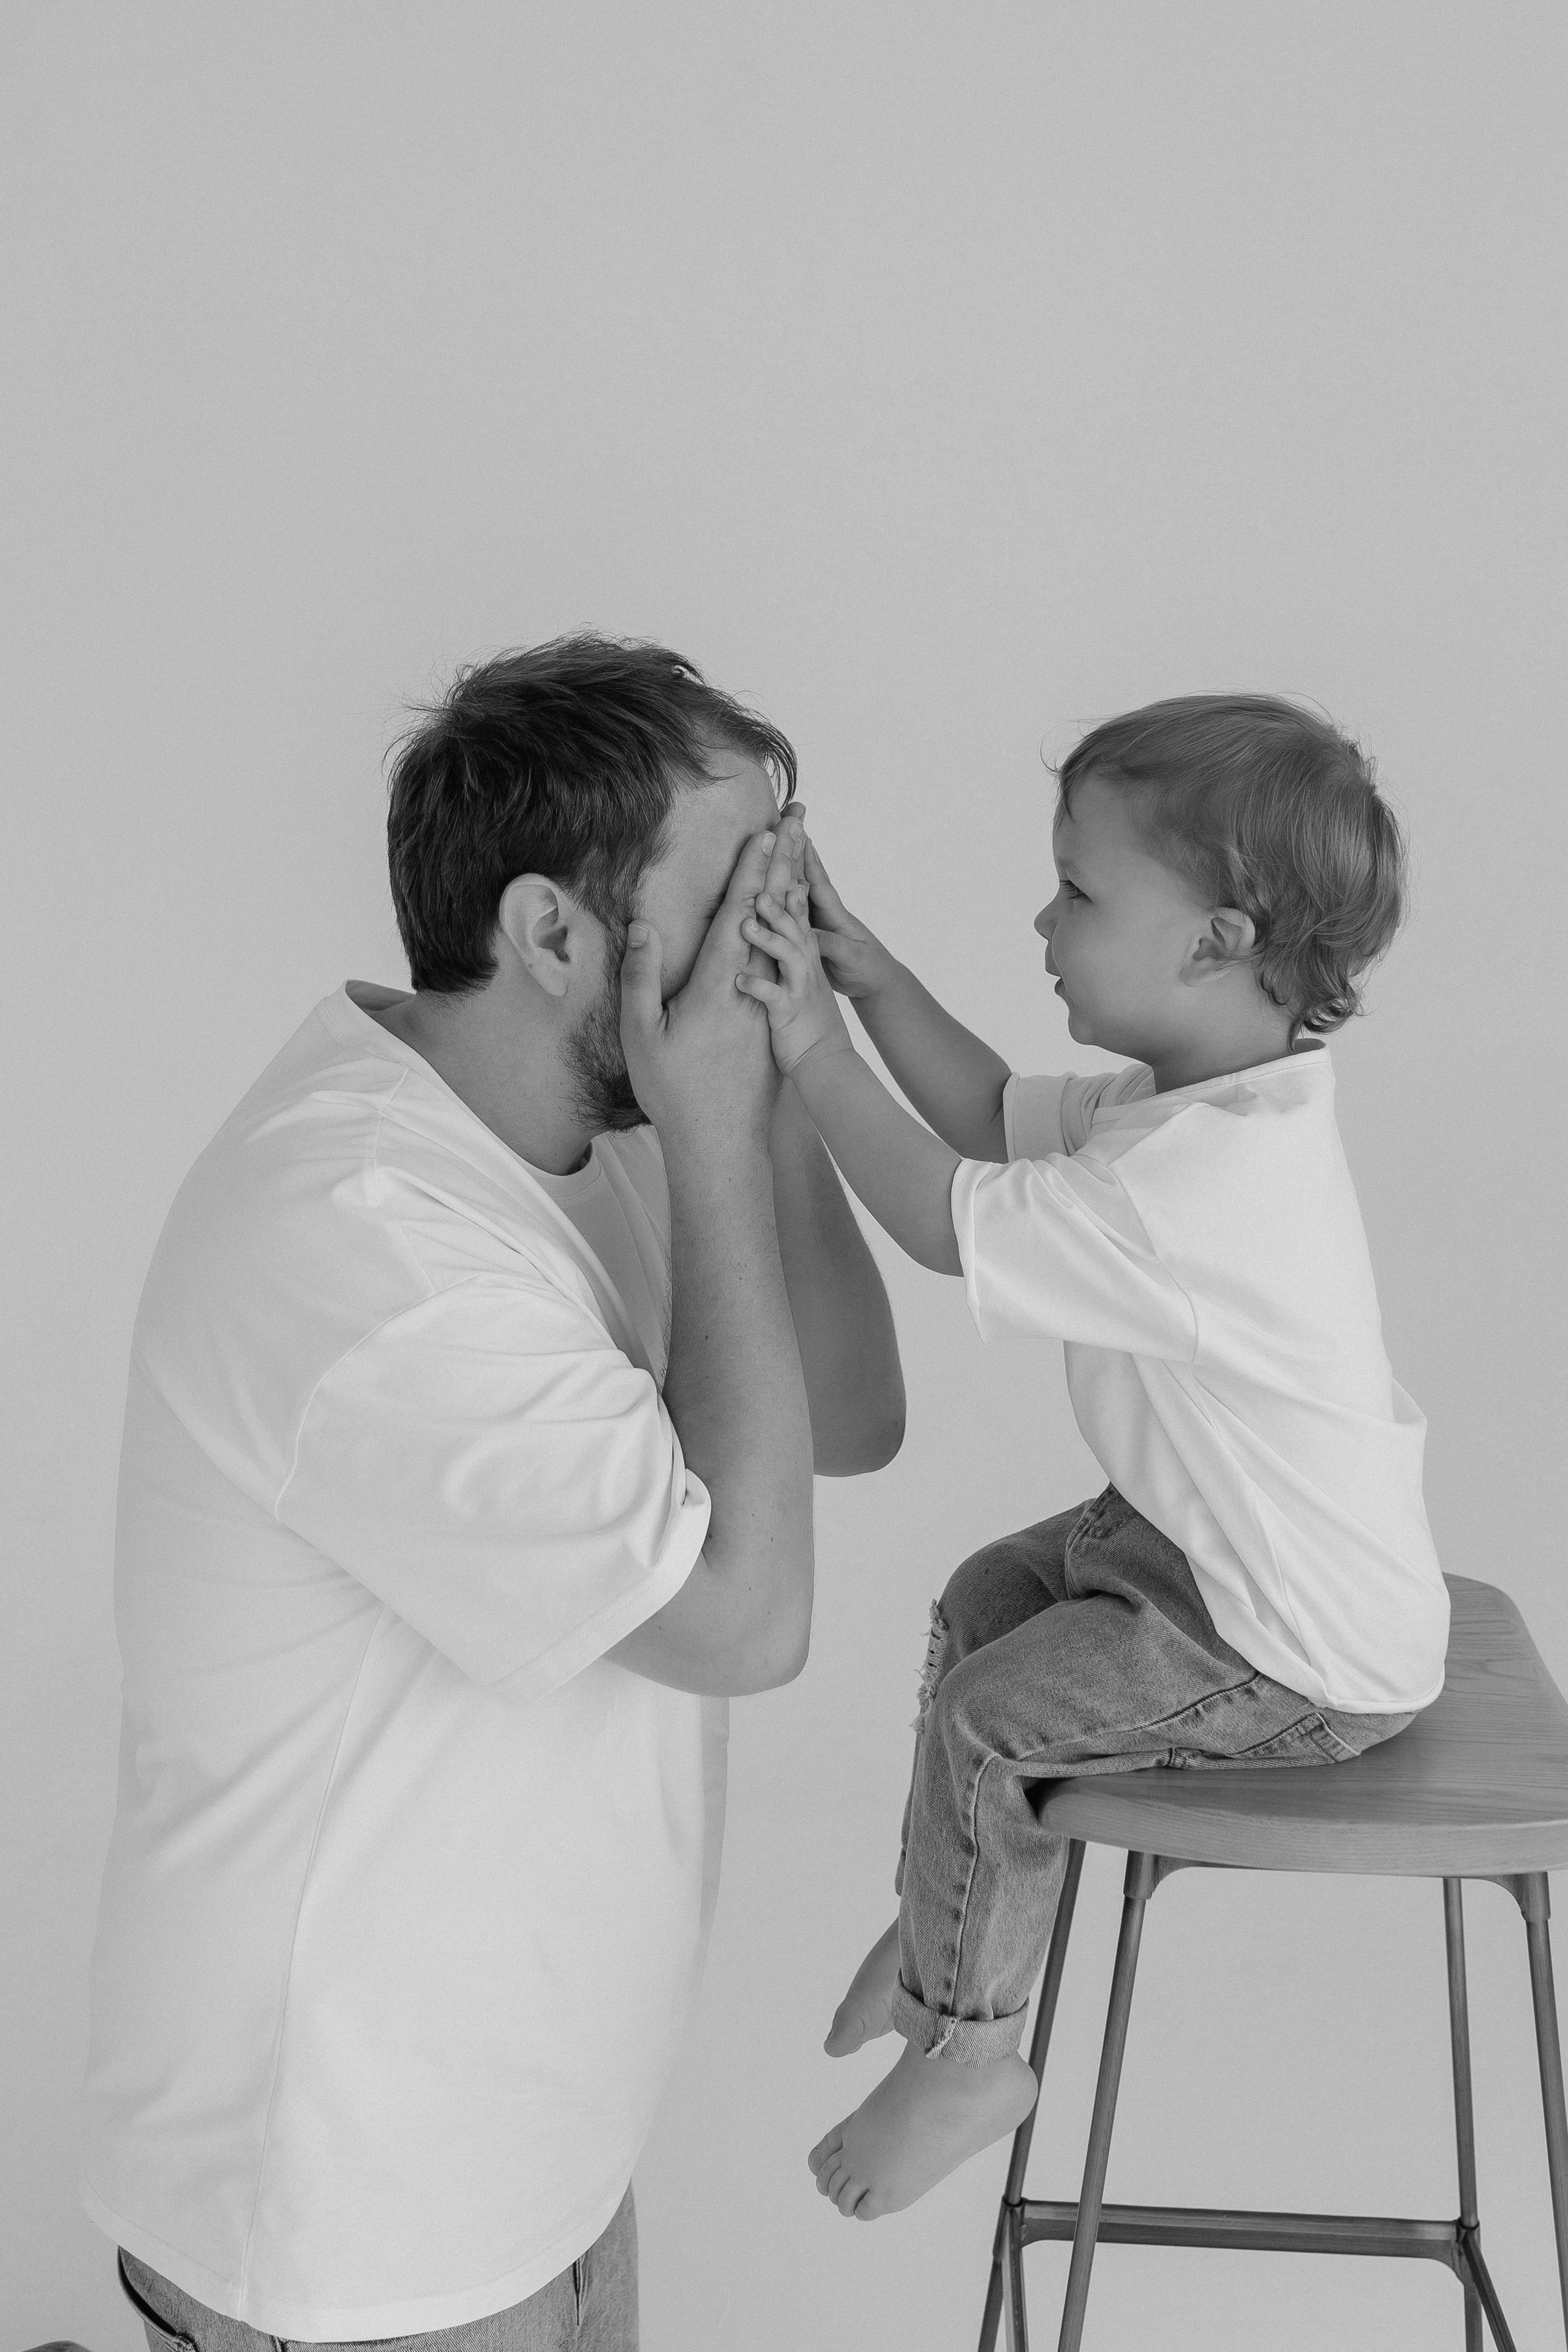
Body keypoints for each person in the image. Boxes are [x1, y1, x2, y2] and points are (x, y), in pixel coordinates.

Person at [81, 636, 905, 2348]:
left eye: (790, 872)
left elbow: (848, 1412)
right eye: (739, 886)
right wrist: (715, 1109)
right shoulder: (367, 1238)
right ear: (551, 936)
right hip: (350, 2244)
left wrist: (783, 1061)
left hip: (531, 2185)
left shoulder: (595, 1130)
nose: (778, 923)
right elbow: (745, 1616)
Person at [732, 692, 1449, 2220]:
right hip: (1193, 1550)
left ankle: (974, 2052)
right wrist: (868, 976)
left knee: (993, 1716)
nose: (1041, 917)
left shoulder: (1204, 1188)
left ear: (1213, 939)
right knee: (987, 1594)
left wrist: (803, 1042)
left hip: (1290, 1641)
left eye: (1078, 890)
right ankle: (950, 1926)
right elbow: (992, 1116)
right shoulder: (1188, 1108)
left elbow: (939, 1215)